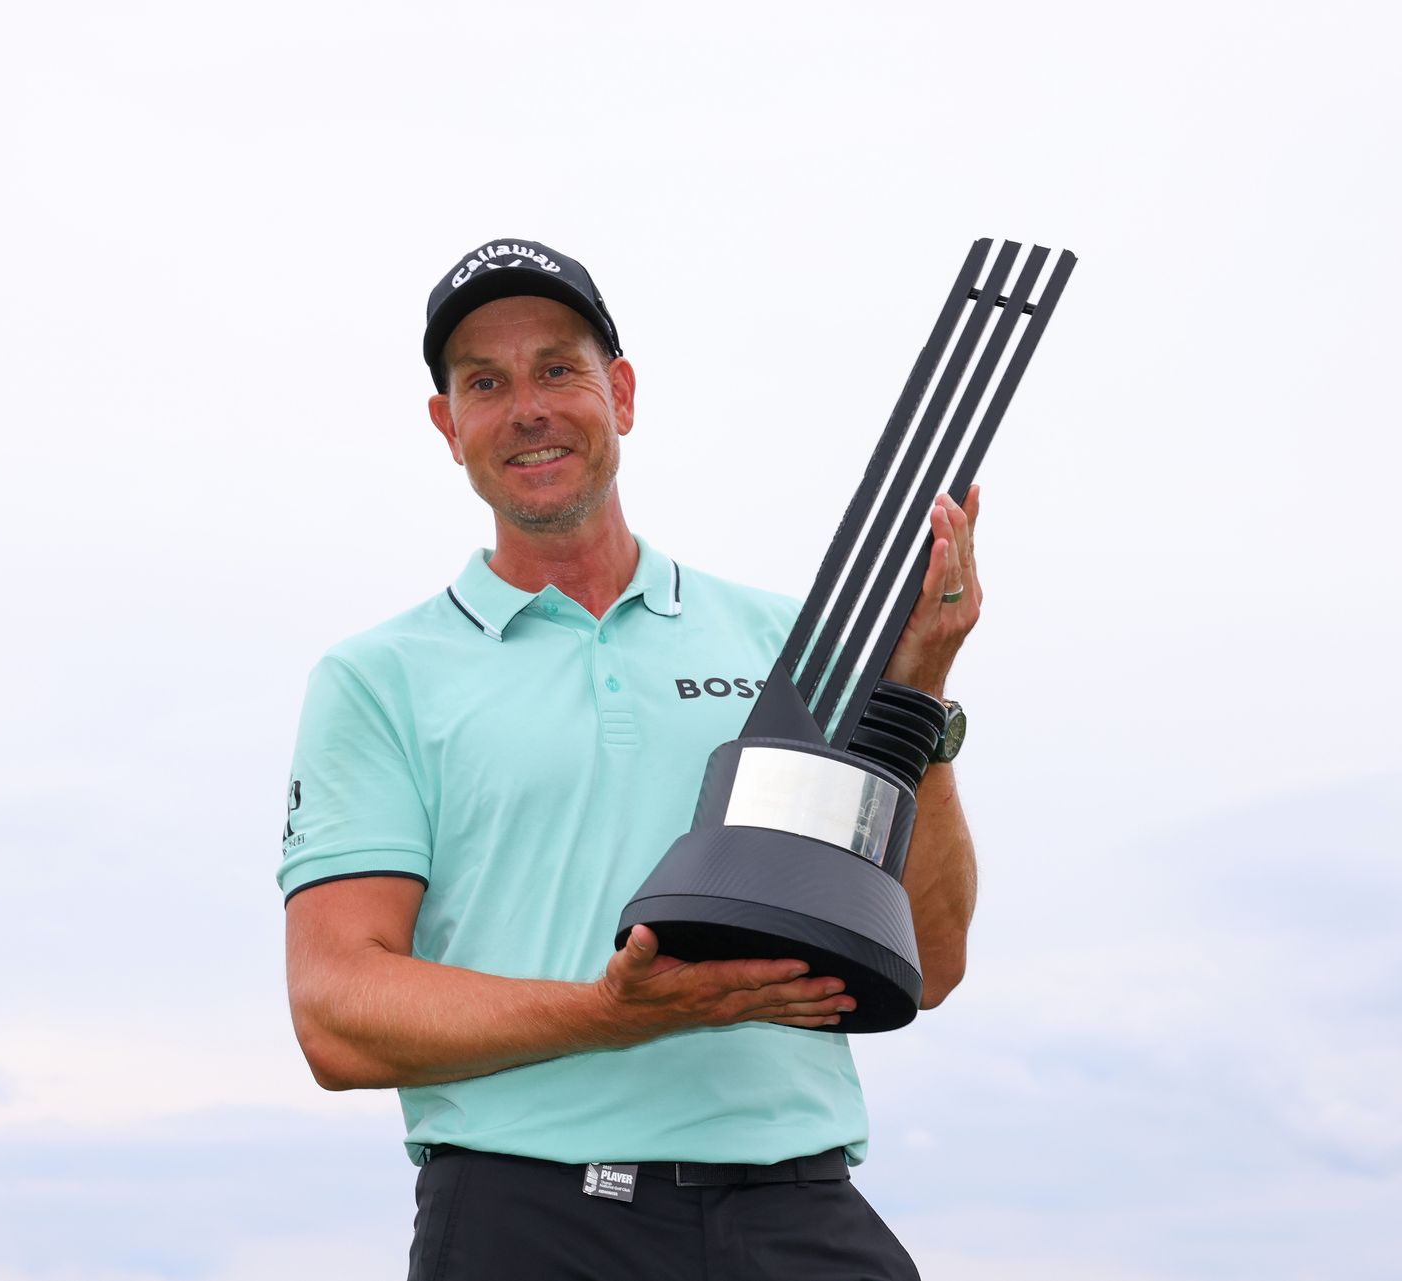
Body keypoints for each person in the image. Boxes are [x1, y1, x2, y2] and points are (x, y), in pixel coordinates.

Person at [281, 238, 982, 1280]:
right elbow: (337, 1013)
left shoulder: (793, 643)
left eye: (557, 369)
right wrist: (610, 1017)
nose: (528, 408)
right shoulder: (381, 678)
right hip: (530, 1222)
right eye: (486, 382)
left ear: (622, 393)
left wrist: (915, 692)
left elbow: (927, 959)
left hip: (797, 1208)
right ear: (449, 425)